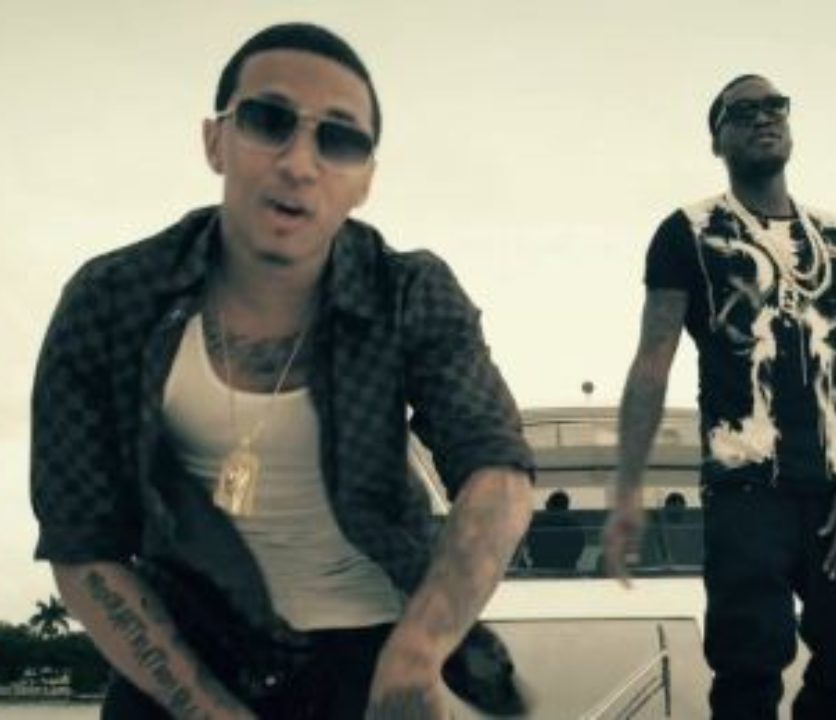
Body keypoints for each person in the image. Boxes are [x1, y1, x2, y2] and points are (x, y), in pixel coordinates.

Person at [30, 23, 533, 720]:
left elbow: (498, 473)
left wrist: (418, 655)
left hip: (379, 648)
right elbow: (84, 544)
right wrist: (209, 711)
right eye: (269, 121)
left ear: (365, 181)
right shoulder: (111, 299)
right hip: (188, 652)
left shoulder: (409, 292)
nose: (300, 163)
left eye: (340, 140)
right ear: (215, 141)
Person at [603, 74, 836, 719]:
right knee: (748, 666)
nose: (764, 118)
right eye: (743, 111)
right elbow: (651, 367)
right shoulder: (688, 231)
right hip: (745, 490)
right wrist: (626, 489)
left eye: (775, 106)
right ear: (717, 140)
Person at [525, 490, 586, 570]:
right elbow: (578, 551)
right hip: (567, 570)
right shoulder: (575, 528)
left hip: (540, 569)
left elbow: (530, 546)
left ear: (548, 505)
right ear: (566, 506)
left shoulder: (538, 525)